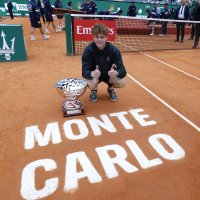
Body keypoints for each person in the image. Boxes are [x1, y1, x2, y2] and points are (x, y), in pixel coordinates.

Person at [82, 24, 126, 102]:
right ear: (93, 37)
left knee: (122, 82)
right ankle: (94, 90)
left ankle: (110, 88)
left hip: (109, 75)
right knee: (91, 83)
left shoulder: (114, 50)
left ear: (106, 38)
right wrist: (92, 73)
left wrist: (116, 73)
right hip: (96, 76)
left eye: (102, 37)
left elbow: (123, 70)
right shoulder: (88, 50)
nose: (99, 40)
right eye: (97, 37)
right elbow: (84, 71)